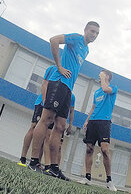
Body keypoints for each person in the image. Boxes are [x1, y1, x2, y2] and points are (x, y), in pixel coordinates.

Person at [28, 21, 100, 181]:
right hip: (59, 82)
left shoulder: (86, 49)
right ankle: (33, 162)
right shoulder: (76, 38)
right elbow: (53, 40)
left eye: (97, 33)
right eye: (92, 31)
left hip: (68, 89)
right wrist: (59, 66)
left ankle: (53, 168)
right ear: (85, 30)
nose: (94, 35)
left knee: (60, 126)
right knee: (46, 120)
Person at [79, 69, 118, 191]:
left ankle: (109, 181)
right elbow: (93, 107)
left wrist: (103, 78)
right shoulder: (97, 93)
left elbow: (106, 89)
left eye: (101, 74)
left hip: (104, 122)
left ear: (107, 76)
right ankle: (87, 177)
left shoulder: (113, 88)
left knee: (105, 149)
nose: (99, 76)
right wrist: (87, 120)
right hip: (93, 121)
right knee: (89, 148)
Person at [17, 66, 56, 167]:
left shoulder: (67, 74)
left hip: (53, 107)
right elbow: (44, 86)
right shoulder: (53, 68)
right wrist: (45, 103)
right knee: (33, 127)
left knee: (47, 135)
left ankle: (39, 162)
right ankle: (23, 158)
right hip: (42, 103)